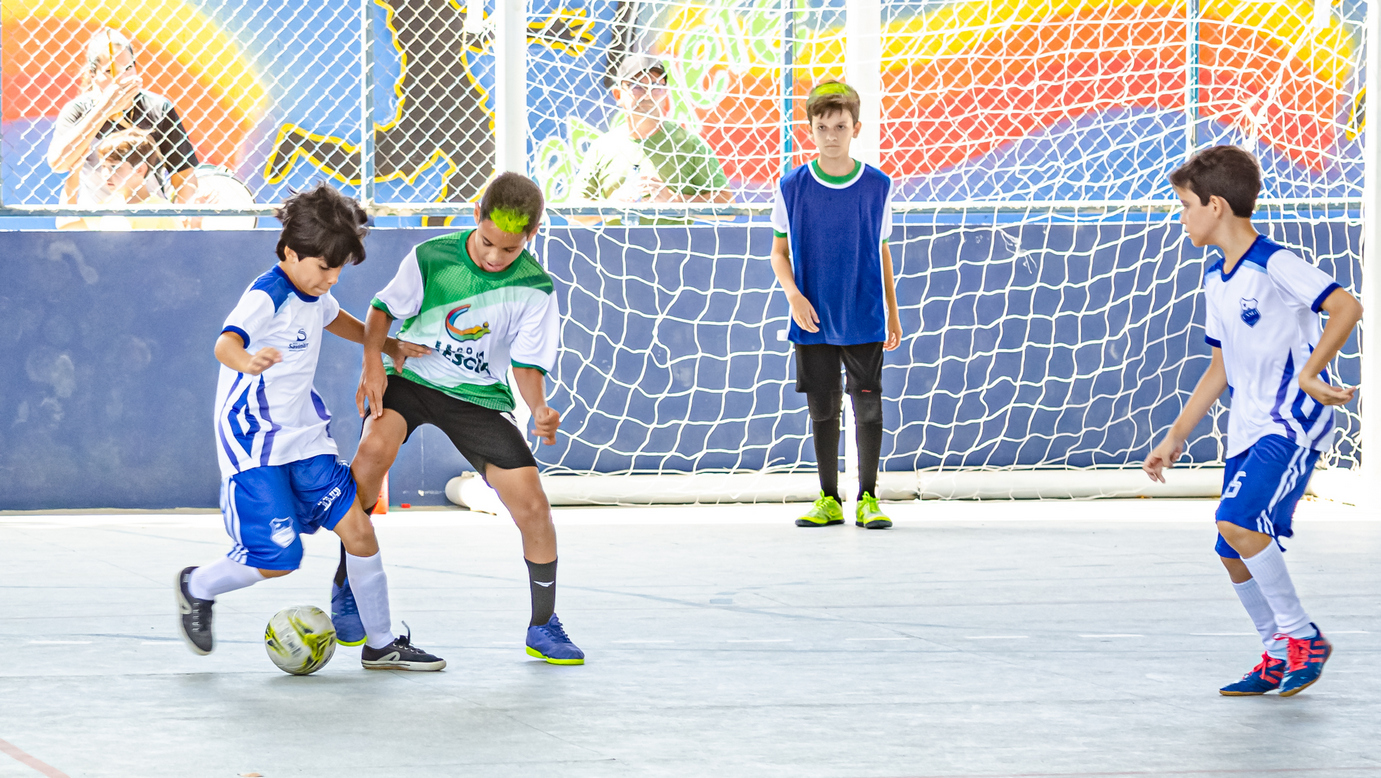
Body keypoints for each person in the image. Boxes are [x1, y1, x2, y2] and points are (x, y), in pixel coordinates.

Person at [176, 183, 445, 672]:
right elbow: (224, 344)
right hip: (254, 445)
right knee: (279, 558)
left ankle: (381, 643)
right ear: (290, 252)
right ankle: (197, 586)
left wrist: (388, 347)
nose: (333, 277)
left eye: (340, 268)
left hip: (304, 437)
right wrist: (248, 360)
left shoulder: (313, 291)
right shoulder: (267, 295)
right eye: (325, 267)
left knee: (359, 532)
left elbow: (334, 318)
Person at [335, 172, 585, 665]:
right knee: (370, 457)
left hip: (476, 396)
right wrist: (372, 367)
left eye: (509, 250)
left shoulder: (535, 288)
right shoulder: (432, 258)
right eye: (488, 242)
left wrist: (538, 407)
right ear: (476, 216)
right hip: (409, 377)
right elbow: (382, 311)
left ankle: (543, 626)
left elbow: (528, 364)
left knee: (533, 507)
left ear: (530, 237)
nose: (495, 256)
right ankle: (346, 590)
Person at [1143, 145, 1361, 697]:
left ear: (1216, 206)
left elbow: (1347, 307)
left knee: (1237, 523)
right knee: (1229, 546)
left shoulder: (1275, 263)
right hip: (1247, 423)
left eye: (1186, 205)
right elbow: (1219, 368)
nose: (1182, 217)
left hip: (1289, 419)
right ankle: (1275, 650)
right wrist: (1174, 437)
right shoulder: (1217, 280)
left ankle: (1302, 636)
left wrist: (1312, 372)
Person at [769, 80, 903, 530]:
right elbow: (778, 252)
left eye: (840, 126)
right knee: (823, 408)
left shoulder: (878, 186)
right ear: (809, 130)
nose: (831, 135)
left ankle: (867, 497)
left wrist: (893, 311)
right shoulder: (791, 187)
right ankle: (828, 498)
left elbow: (882, 250)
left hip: (863, 313)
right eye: (822, 126)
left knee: (868, 407)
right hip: (813, 316)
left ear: (856, 128)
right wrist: (793, 295)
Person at [46, 29, 200, 218]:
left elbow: (184, 176)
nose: (121, 79)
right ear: (93, 75)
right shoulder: (78, 111)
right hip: (98, 220)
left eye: (128, 68)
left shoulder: (158, 108)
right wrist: (104, 109)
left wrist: (182, 218)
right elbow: (58, 163)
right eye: (110, 71)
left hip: (149, 218)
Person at [574, 54, 731, 208]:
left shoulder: (690, 144)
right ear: (618, 95)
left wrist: (674, 200)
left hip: (671, 235)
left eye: (656, 86)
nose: (648, 94)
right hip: (615, 235)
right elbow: (573, 213)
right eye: (636, 86)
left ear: (666, 94)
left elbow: (727, 206)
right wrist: (610, 206)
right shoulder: (603, 147)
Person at [93, 129, 184, 230]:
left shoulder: (162, 210)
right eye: (103, 166)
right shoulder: (105, 207)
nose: (106, 174)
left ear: (139, 169)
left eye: (114, 167)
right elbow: (75, 229)